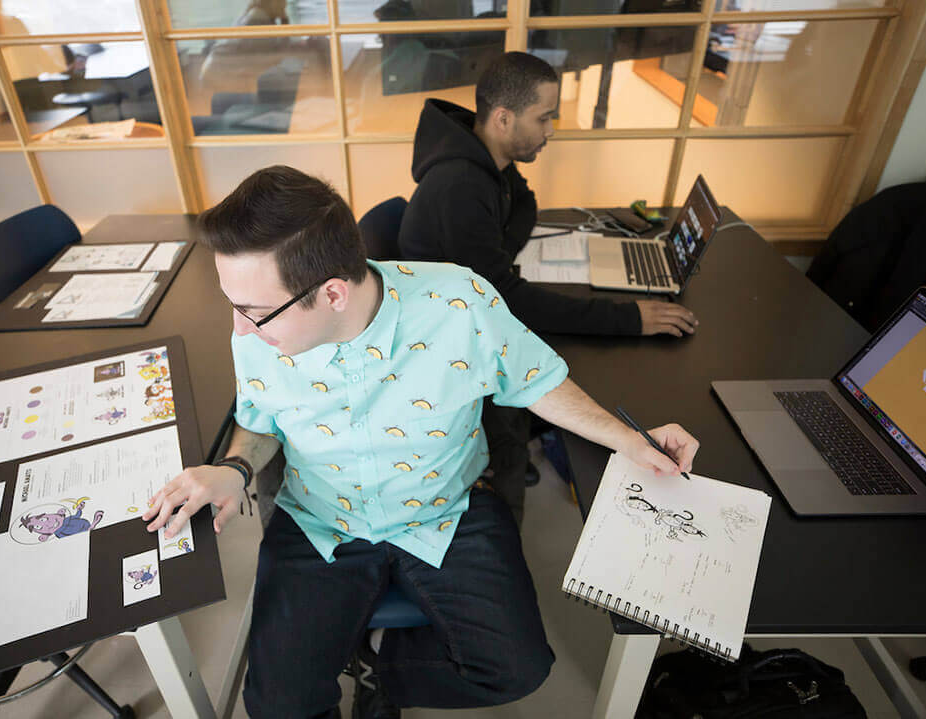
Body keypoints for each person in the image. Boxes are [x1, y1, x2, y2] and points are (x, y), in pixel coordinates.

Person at [142, 165, 700, 719]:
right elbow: (260, 418)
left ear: (332, 293)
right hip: (320, 517)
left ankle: (377, 670)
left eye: (254, 313)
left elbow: (538, 381)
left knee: (518, 670)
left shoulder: (460, 304)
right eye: (234, 306)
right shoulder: (262, 328)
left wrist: (628, 440)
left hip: (446, 506)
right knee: (277, 706)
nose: (240, 329)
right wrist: (234, 468)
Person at [398, 52, 698, 513]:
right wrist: (628, 319)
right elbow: (508, 302)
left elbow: (525, 204)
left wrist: (499, 248)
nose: (550, 130)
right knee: (586, 361)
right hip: (447, 352)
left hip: (469, 319)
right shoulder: (459, 185)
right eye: (543, 118)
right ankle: (503, 503)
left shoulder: (486, 159)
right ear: (503, 118)